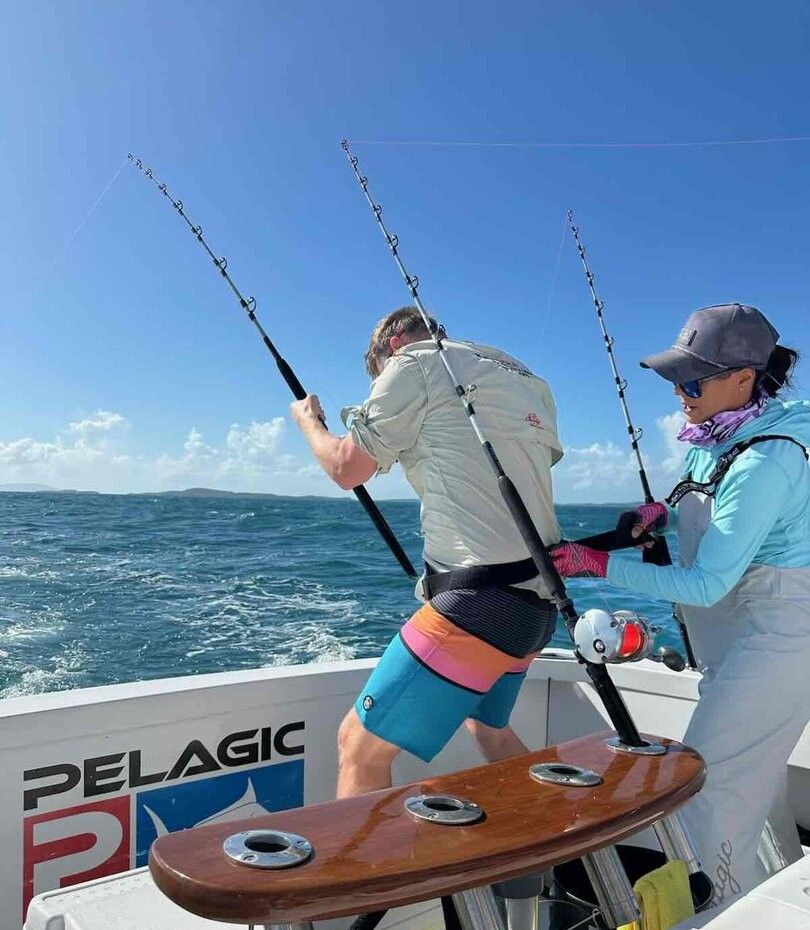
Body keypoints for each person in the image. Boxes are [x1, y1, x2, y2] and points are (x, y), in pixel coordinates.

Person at [551, 303, 810, 903]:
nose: (679, 393)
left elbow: (705, 584)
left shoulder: (768, 458)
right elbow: (703, 503)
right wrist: (659, 516)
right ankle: (765, 901)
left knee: (707, 787)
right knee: (758, 789)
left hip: (780, 640)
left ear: (743, 378)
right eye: (674, 379)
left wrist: (598, 565)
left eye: (692, 380)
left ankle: (713, 911)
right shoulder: (717, 435)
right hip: (732, 641)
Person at [290, 306, 563, 798]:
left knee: (359, 745)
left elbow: (346, 468)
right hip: (539, 609)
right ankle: (564, 856)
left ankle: (370, 877)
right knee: (490, 731)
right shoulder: (520, 376)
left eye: (377, 375)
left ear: (391, 347)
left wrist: (310, 423)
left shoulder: (412, 363)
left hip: (479, 606)